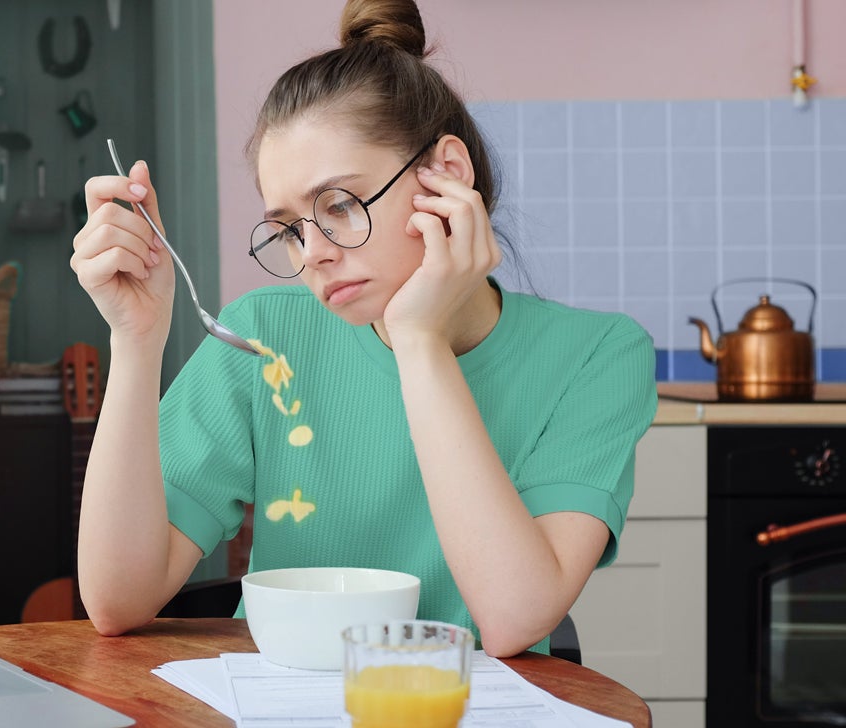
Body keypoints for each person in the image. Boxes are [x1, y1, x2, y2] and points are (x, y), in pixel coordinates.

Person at [69, 0, 657, 657]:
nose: (312, 251)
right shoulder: (264, 336)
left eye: (341, 205)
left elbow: (515, 618)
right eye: (289, 228)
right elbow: (116, 600)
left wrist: (419, 340)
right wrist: (135, 338)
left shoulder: (598, 355)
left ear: (447, 175)